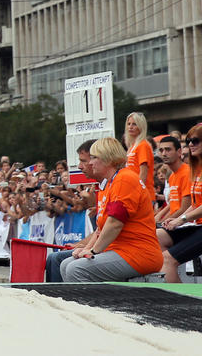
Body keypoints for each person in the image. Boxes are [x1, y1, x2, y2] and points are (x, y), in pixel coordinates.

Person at [60, 138, 162, 283]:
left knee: (75, 269)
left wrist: (93, 251)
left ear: (108, 159)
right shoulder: (112, 182)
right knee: (65, 264)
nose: (90, 162)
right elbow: (101, 229)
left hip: (138, 253)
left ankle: (93, 306)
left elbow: (115, 223)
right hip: (121, 250)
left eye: (94, 157)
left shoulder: (124, 179)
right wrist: (85, 250)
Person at [158, 124, 202, 283]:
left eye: (196, 141)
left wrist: (182, 219)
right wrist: (175, 220)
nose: (190, 144)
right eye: (189, 141)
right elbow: (197, 203)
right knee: (156, 236)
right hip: (199, 224)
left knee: (167, 260)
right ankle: (175, 277)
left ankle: (178, 302)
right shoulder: (198, 169)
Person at [46, 139, 99, 282]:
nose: (79, 167)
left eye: (83, 161)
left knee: (63, 263)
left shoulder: (112, 185)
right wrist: (79, 245)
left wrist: (86, 248)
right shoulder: (102, 187)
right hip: (102, 245)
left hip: (117, 251)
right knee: (53, 258)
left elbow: (109, 230)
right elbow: (100, 231)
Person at [154, 134, 191, 224]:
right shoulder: (172, 176)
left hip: (184, 223)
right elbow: (173, 205)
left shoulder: (187, 172)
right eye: (161, 150)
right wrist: (159, 219)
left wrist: (162, 223)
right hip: (173, 222)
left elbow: (184, 208)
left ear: (179, 152)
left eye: (168, 149)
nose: (164, 153)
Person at [123, 111, 153, 188]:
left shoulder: (143, 145)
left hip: (143, 193)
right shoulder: (132, 146)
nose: (130, 127)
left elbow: (143, 173)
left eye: (134, 124)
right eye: (129, 124)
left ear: (141, 126)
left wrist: (137, 190)